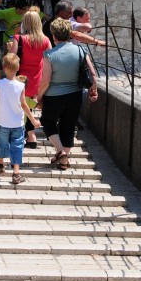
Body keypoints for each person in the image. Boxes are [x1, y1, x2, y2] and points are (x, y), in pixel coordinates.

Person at [35, 17, 98, 170]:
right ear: (70, 34)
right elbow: (92, 73)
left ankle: (60, 151)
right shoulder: (80, 50)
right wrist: (93, 90)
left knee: (48, 122)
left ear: (53, 35)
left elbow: (46, 81)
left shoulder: (49, 54)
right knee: (68, 126)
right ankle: (64, 162)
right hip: (75, 94)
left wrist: (39, 96)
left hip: (54, 96)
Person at [0, 53, 41, 185]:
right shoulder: (21, 86)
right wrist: (33, 120)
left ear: (3, 68)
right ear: (18, 67)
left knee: (3, 143)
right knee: (17, 146)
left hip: (3, 122)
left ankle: (0, 164)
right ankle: (16, 173)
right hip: (17, 123)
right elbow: (24, 104)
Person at [8, 10, 51, 149]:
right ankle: (30, 135)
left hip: (21, 79)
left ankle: (29, 135)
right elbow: (51, 59)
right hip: (37, 80)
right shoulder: (45, 40)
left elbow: (10, 60)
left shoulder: (18, 39)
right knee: (28, 107)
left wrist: (9, 48)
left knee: (21, 107)